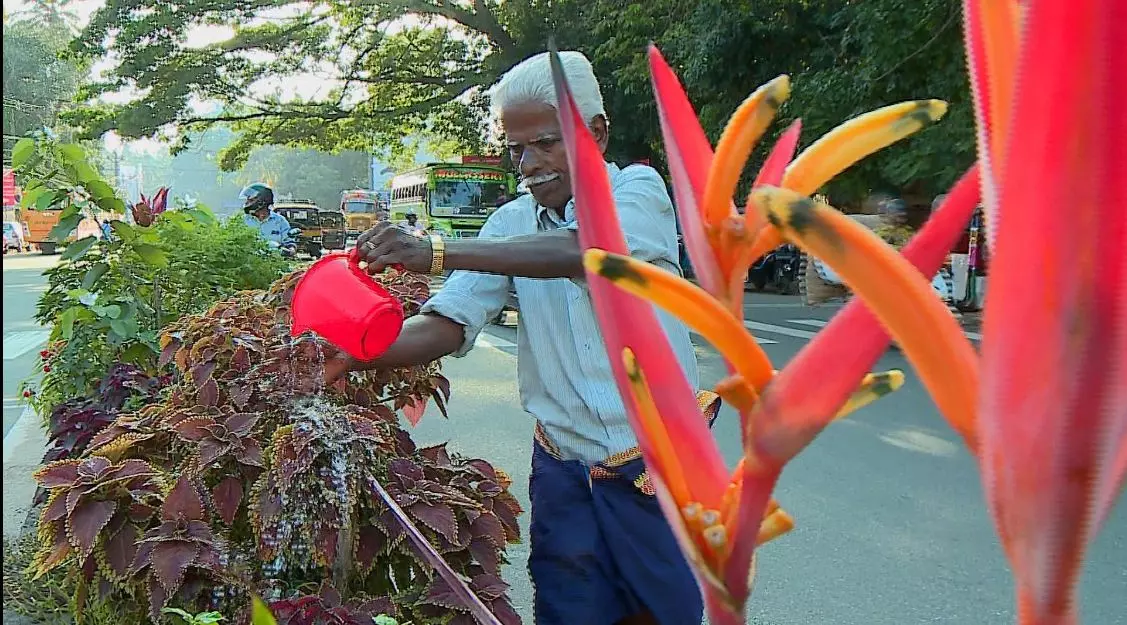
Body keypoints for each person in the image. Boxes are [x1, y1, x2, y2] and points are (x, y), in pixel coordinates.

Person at [326, 50, 704, 625]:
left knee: (665, 612)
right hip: (562, 468)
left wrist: (435, 252)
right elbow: (449, 321)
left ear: (596, 132)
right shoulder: (508, 227)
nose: (529, 163)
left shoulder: (639, 192)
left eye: (548, 142)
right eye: (516, 149)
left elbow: (589, 250)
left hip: (656, 467)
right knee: (568, 610)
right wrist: (353, 351)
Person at [239, 183, 294, 249]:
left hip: (274, 258)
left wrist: (291, 250)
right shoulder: (241, 221)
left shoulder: (280, 221)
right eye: (247, 200)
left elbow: (289, 242)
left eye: (251, 200)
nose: (247, 203)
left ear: (262, 201)